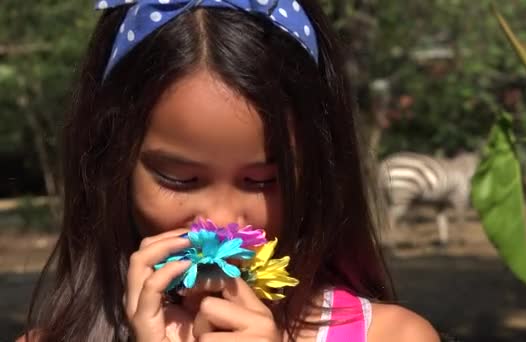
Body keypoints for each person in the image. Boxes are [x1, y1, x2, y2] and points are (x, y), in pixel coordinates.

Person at [21, 0, 440, 341]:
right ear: (110, 167)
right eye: (180, 179)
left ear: (318, 176)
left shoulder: (394, 334)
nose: (221, 220)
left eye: (262, 181)